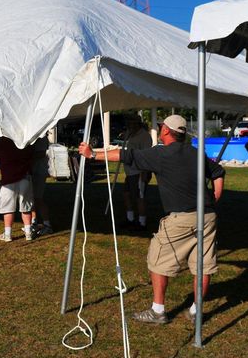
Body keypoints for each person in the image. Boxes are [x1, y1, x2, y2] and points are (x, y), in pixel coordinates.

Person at [79, 114, 225, 324]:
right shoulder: (195, 153)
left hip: (181, 218)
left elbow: (126, 155)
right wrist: (215, 197)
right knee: (202, 265)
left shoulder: (161, 154)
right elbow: (218, 172)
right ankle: (196, 310)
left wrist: (92, 154)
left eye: (161, 127)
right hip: (208, 216)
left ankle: (158, 311)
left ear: (166, 130)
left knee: (156, 260)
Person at [0, 136, 35, 242]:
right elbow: (31, 154)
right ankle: (28, 233)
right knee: (26, 206)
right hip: (24, 176)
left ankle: (8, 234)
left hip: (8, 178)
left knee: (8, 207)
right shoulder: (26, 140)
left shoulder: (3, 141)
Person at [121, 115, 153, 231]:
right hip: (130, 171)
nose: (130, 125)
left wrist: (144, 173)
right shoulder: (129, 133)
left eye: (133, 123)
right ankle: (130, 219)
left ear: (138, 123)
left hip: (139, 172)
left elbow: (146, 156)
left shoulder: (145, 136)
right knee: (126, 194)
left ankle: (141, 222)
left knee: (140, 197)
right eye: (129, 123)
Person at [30, 135, 53, 236]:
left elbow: (42, 153)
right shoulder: (36, 136)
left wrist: (27, 155)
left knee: (38, 199)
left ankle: (47, 225)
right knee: (32, 199)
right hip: (33, 171)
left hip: (39, 172)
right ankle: (34, 222)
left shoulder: (41, 137)